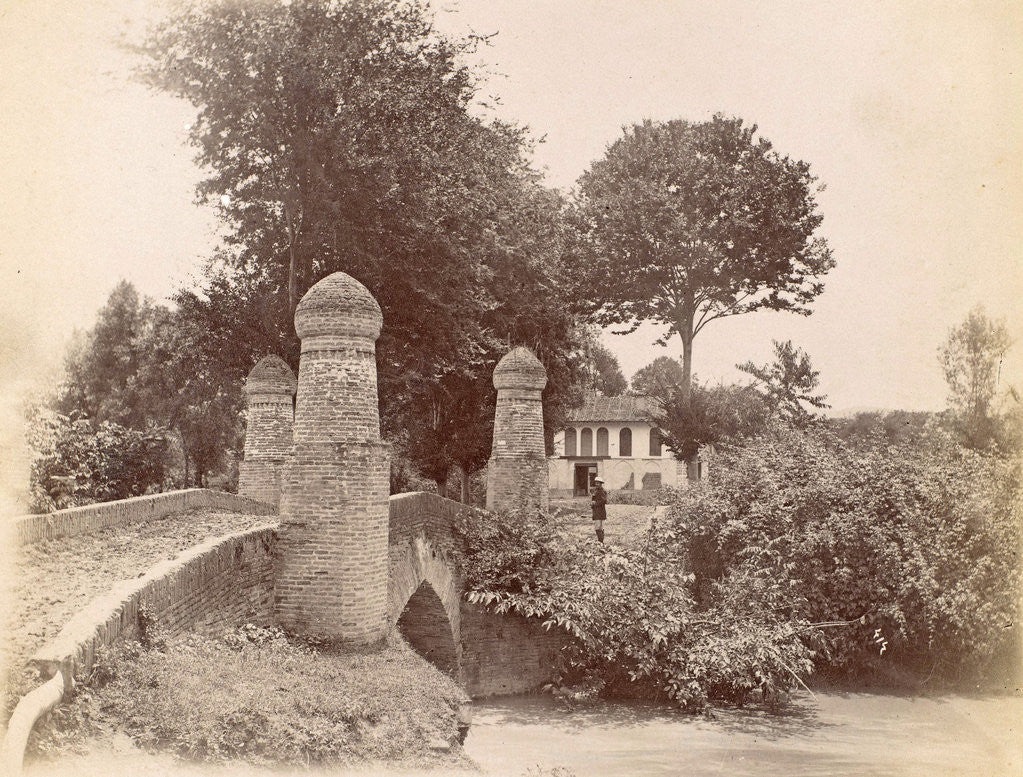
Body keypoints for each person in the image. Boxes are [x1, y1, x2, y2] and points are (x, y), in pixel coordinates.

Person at [591, 477, 607, 543]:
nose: (596, 484)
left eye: (598, 483)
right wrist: (592, 503)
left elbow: (604, 501)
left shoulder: (602, 491)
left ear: (601, 484)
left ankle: (600, 542)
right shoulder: (596, 490)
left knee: (598, 527)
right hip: (596, 511)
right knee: (598, 527)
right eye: (596, 483)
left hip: (600, 511)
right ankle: (600, 541)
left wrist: (595, 503)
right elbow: (594, 499)